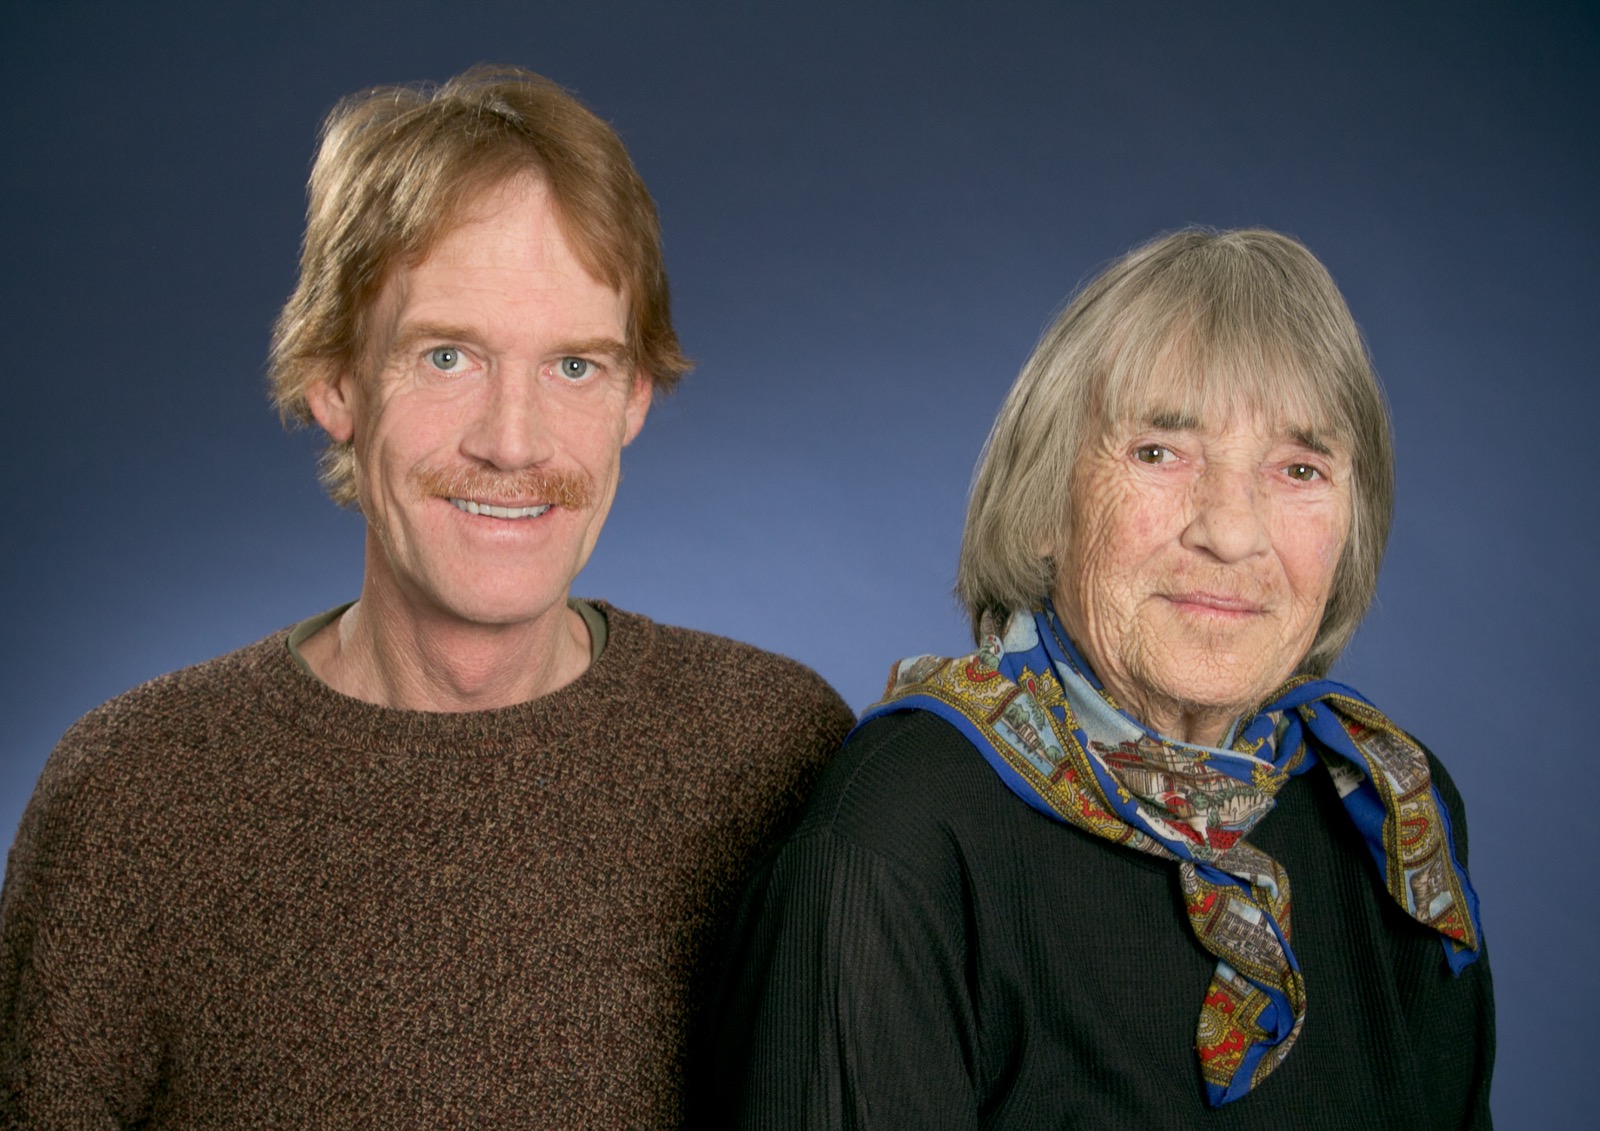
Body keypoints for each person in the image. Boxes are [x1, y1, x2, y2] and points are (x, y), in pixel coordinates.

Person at [0, 65, 854, 1127]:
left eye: (575, 368)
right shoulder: (131, 798)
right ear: (336, 384)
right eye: (447, 355)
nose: (513, 441)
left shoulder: (776, 751)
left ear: (636, 397)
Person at [697, 229, 1494, 1128]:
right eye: (1160, 451)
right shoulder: (901, 835)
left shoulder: (1390, 814)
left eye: (1298, 469)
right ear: (1045, 507)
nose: (1231, 532)